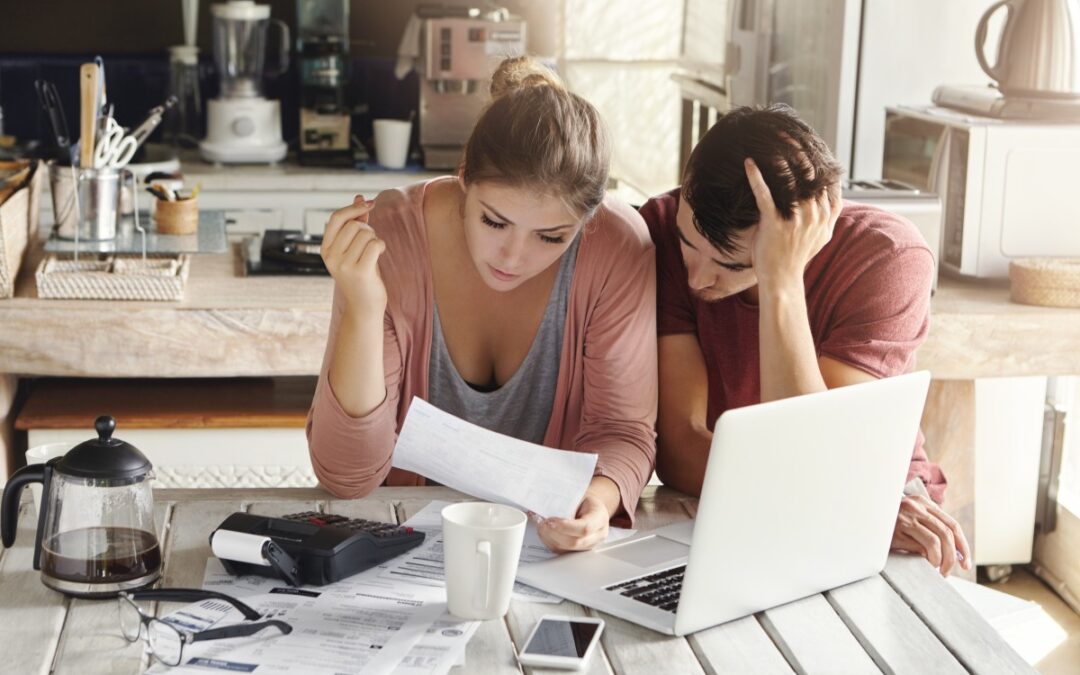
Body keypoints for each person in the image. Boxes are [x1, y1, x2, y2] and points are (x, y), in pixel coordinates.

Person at [307, 56, 657, 553]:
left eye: (551, 237)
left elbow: (621, 431)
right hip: (400, 549)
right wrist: (365, 308)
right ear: (464, 176)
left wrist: (597, 502)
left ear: (587, 219)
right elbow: (348, 476)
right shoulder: (389, 237)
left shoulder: (618, 247)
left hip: (543, 555)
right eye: (494, 222)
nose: (514, 258)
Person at [641, 104, 972, 576]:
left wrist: (781, 280)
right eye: (688, 244)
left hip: (883, 505)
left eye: (731, 264)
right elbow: (681, 448)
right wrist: (820, 495)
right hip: (752, 500)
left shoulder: (887, 256)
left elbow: (823, 453)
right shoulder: (659, 226)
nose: (697, 279)